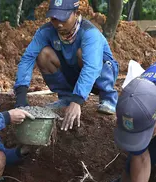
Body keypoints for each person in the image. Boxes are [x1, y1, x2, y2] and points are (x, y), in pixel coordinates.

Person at [13, 0, 119, 131]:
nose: (58, 24)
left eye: (63, 18)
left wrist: (77, 100)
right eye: (54, 19)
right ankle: (66, 97)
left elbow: (92, 67)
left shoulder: (90, 33)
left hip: (100, 74)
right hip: (72, 72)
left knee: (82, 53)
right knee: (43, 54)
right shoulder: (46, 31)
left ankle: (108, 98)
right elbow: (28, 58)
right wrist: (21, 94)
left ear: (76, 13)